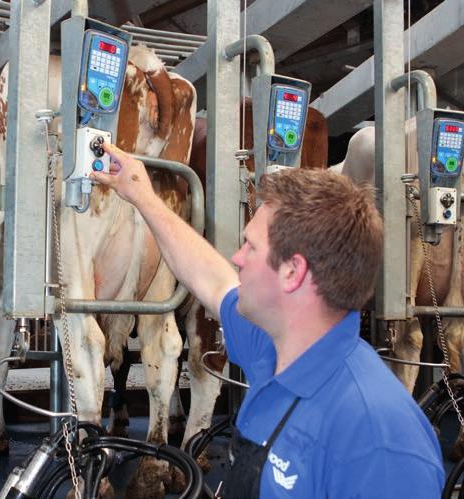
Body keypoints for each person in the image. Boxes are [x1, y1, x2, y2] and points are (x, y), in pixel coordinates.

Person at [91, 143, 445, 498]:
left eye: (251, 247)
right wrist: (142, 195)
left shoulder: (380, 441)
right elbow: (211, 278)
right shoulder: (271, 347)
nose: (237, 257)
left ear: (293, 272)